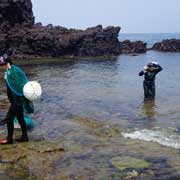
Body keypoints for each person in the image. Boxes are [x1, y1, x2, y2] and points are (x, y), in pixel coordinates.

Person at [0, 51, 33, 144]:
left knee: (8, 119)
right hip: (15, 101)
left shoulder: (14, 71)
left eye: (2, 65)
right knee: (20, 118)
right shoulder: (9, 71)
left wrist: (17, 100)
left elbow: (21, 85)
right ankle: (24, 137)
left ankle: (9, 139)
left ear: (7, 64)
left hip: (17, 101)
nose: (1, 67)